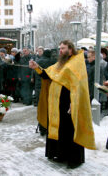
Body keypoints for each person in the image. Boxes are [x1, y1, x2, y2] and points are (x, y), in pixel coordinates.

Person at [29, 40, 96, 169]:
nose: (60, 51)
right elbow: (48, 75)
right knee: (60, 130)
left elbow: (78, 86)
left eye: (63, 48)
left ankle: (74, 159)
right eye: (60, 48)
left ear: (70, 49)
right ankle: (60, 154)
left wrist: (74, 103)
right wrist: (36, 67)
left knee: (69, 130)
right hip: (56, 103)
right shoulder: (61, 63)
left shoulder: (77, 63)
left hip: (69, 103)